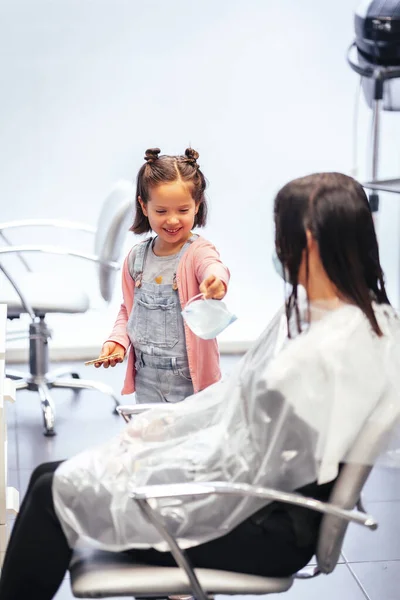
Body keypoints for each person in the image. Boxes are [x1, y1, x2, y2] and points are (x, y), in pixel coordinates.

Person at [2, 172, 400, 600]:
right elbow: (242, 412)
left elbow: (257, 462)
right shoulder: (347, 317)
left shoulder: (326, 351)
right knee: (50, 476)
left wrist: (157, 466)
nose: (276, 248)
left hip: (256, 526)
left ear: (309, 240)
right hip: (256, 503)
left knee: (50, 492)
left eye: (279, 234)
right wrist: (166, 432)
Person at [94, 147, 230, 404]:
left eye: (182, 210)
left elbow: (214, 265)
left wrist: (216, 280)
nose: (172, 220)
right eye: (161, 211)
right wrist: (118, 341)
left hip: (190, 380)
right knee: (152, 438)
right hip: (147, 378)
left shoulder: (198, 252)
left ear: (197, 206)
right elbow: (128, 310)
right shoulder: (137, 257)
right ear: (144, 206)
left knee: (188, 440)